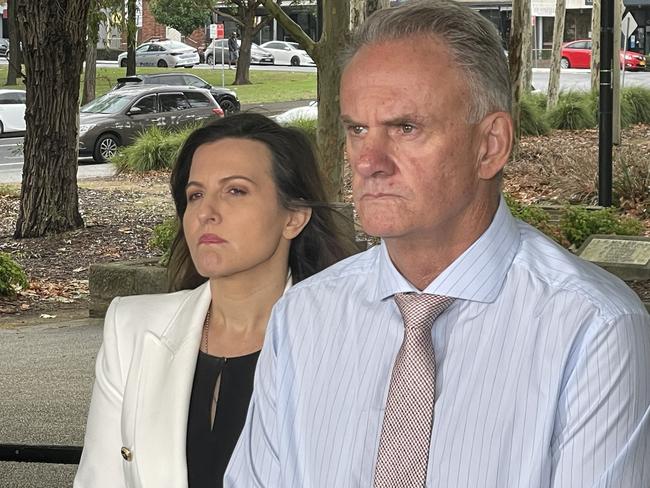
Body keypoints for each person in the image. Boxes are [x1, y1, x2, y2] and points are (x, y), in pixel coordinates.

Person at [225, 1, 650, 487]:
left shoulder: (593, 328)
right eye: (357, 129)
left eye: (405, 128)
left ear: (490, 145)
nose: (368, 162)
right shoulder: (301, 319)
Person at [74, 113, 352, 488]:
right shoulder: (132, 329)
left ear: (294, 218)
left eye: (235, 190)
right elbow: (99, 478)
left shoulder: (348, 342)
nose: (206, 212)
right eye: (195, 195)